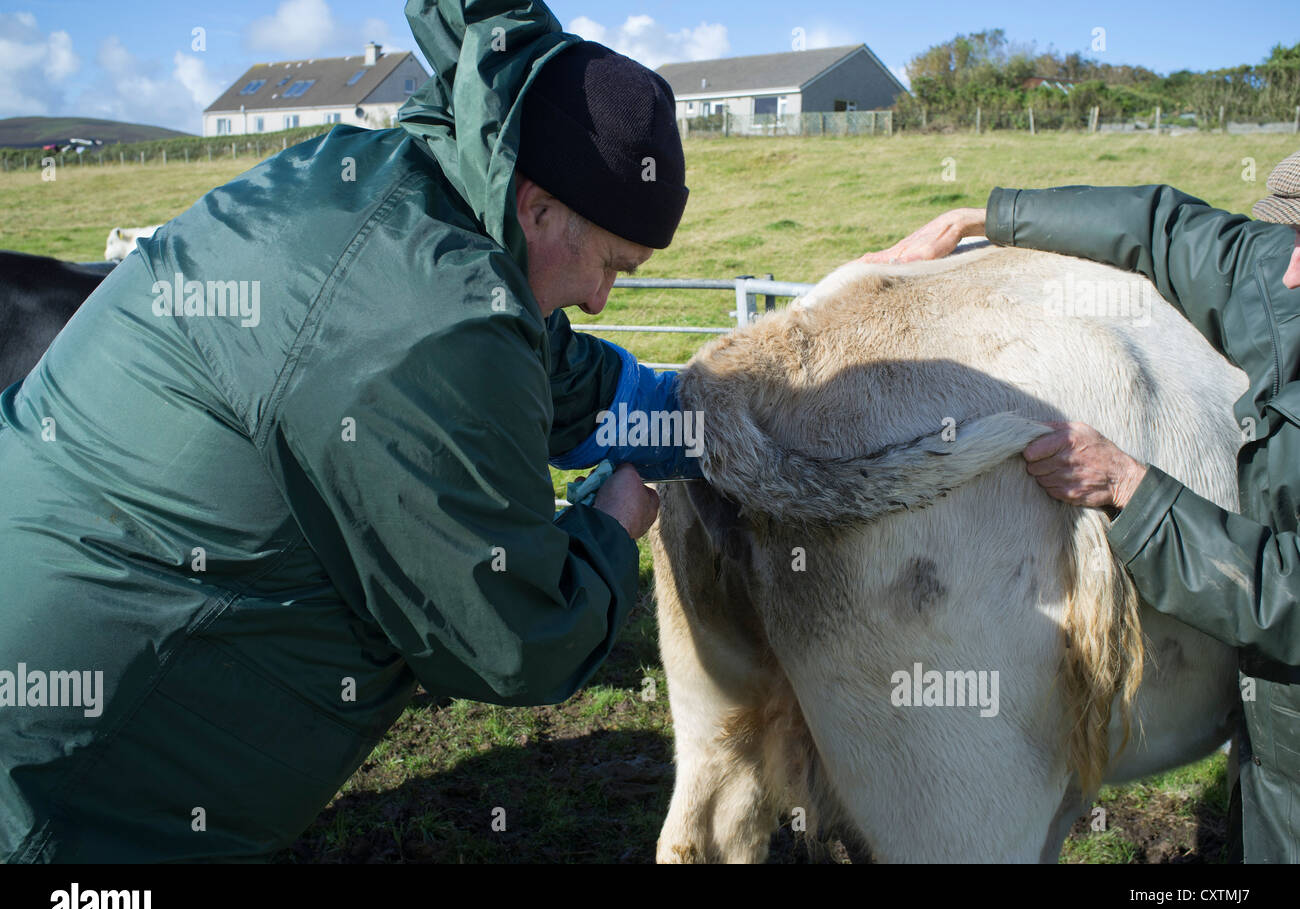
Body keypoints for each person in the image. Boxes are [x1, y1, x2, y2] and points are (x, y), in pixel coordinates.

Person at [0, 0, 701, 862]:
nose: (601, 300)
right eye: (612, 266)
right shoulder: (432, 328)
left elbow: (542, 366)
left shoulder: (407, 190)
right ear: (539, 207)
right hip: (68, 788)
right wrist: (608, 523)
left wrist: (692, 410)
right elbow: (517, 635)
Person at [864, 150, 1300, 863]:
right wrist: (986, 215)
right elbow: (1159, 224)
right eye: (1295, 239)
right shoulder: (1277, 276)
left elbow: (1290, 595)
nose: (1290, 272)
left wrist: (1133, 488)